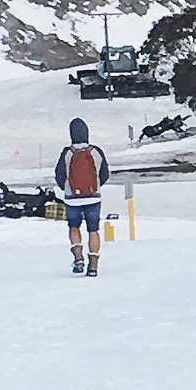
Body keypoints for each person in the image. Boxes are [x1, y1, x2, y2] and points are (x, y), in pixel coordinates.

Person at [54, 116, 110, 277]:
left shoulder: (67, 153)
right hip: (93, 197)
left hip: (72, 198)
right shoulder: (96, 151)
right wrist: (95, 187)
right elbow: (104, 174)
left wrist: (67, 188)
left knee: (74, 227)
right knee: (93, 230)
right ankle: (93, 267)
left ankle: (78, 258)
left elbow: (59, 174)